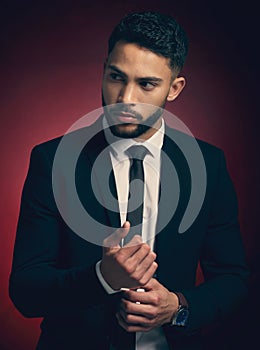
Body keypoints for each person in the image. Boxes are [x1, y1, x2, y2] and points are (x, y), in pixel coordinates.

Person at [9, 11, 249, 350]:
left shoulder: (208, 166)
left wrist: (178, 308)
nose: (124, 99)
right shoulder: (52, 162)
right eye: (116, 77)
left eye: (146, 84)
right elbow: (26, 291)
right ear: (104, 69)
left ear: (174, 88)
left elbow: (233, 279)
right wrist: (100, 278)